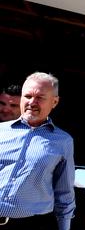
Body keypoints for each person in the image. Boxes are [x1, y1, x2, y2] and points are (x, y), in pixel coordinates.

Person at [0, 72, 76, 230]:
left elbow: (65, 193)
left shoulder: (63, 141)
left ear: (54, 102)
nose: (31, 102)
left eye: (40, 97)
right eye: (27, 96)